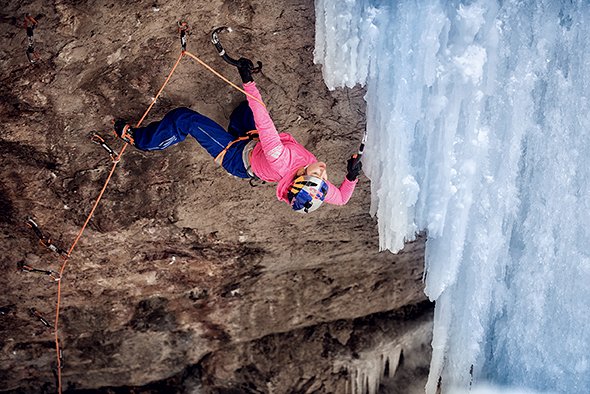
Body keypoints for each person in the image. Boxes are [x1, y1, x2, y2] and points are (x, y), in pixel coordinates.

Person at [114, 58, 362, 213]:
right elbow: (340, 199)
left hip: (235, 156)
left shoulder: (281, 160)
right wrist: (351, 176)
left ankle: (142, 141)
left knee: (184, 119)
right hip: (252, 145)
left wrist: (248, 80)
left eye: (317, 174)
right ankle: (236, 125)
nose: (323, 169)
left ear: (299, 176)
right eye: (323, 177)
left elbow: (265, 122)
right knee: (243, 112)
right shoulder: (314, 186)